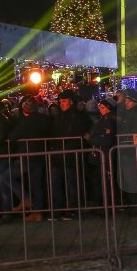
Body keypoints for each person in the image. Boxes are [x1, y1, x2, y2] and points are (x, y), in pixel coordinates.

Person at [8, 96, 52, 222]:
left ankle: (25, 199)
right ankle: (37, 212)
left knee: (7, 176)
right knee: (37, 184)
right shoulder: (44, 119)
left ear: (25, 108)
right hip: (40, 155)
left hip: (27, 155)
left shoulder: (25, 122)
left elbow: (12, 136)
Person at [49, 90, 90, 220]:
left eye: (64, 101)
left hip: (70, 154)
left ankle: (72, 209)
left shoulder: (78, 116)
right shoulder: (59, 116)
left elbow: (79, 133)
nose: (62, 104)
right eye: (60, 102)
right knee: (57, 183)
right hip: (59, 154)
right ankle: (59, 208)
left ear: (71, 102)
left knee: (71, 183)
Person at [85, 98, 118, 209]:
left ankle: (106, 204)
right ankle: (101, 203)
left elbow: (107, 140)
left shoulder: (109, 120)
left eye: (103, 107)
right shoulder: (103, 119)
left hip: (105, 154)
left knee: (104, 181)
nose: (100, 109)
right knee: (98, 180)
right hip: (99, 155)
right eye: (100, 107)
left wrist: (91, 139)